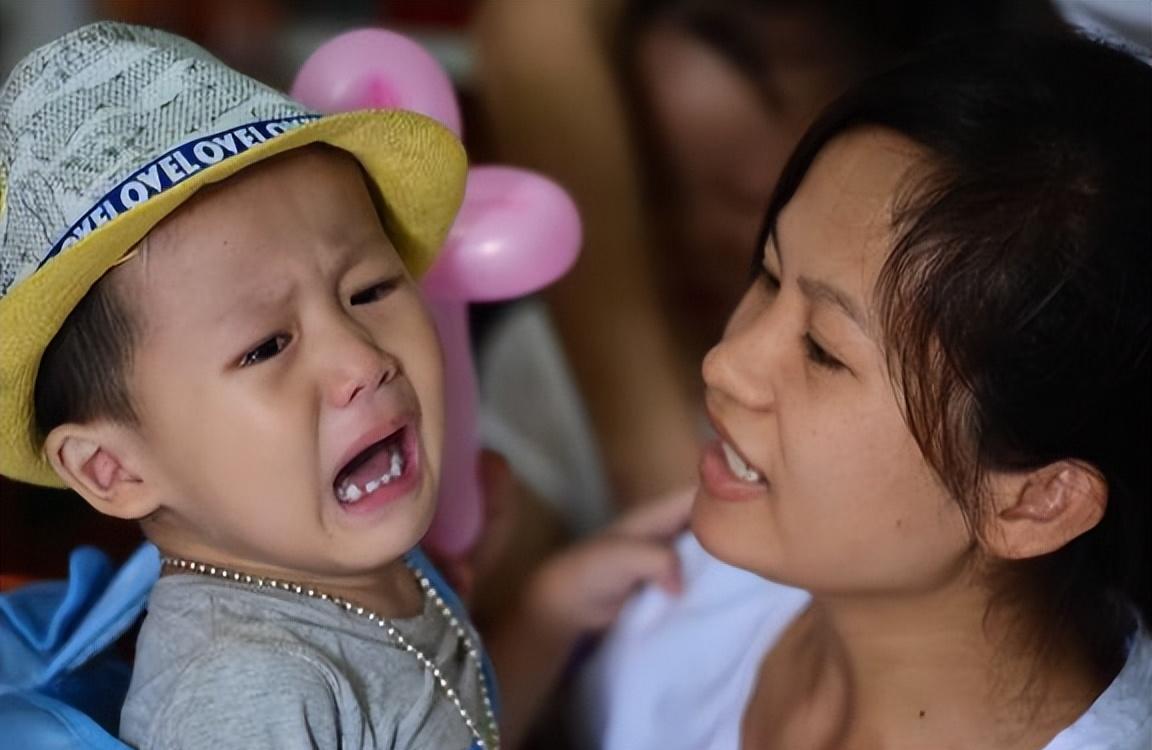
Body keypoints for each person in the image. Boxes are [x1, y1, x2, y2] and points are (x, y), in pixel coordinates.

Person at [576, 31, 1152, 749]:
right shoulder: (717, 569)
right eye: (769, 276)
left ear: (1039, 500)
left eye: (822, 350)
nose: (725, 363)